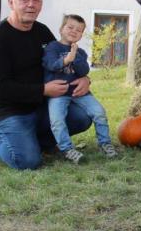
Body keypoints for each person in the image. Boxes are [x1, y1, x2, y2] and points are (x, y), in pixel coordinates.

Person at [0, 0, 94, 170]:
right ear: (11, 2)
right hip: (9, 110)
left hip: (40, 106)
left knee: (82, 117)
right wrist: (44, 90)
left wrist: (85, 79)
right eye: (24, 0)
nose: (31, 5)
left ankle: (39, 141)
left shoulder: (42, 32)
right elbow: (1, 89)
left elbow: (61, 63)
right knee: (27, 162)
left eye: (36, 1)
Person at [42, 14, 117, 163]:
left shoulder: (80, 52)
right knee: (57, 120)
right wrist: (66, 60)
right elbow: (50, 64)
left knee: (99, 112)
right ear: (61, 29)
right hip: (58, 94)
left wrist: (75, 57)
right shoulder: (52, 47)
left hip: (80, 92)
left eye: (79, 30)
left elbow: (83, 71)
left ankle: (105, 143)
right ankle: (67, 149)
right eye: (70, 27)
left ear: (81, 35)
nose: (73, 31)